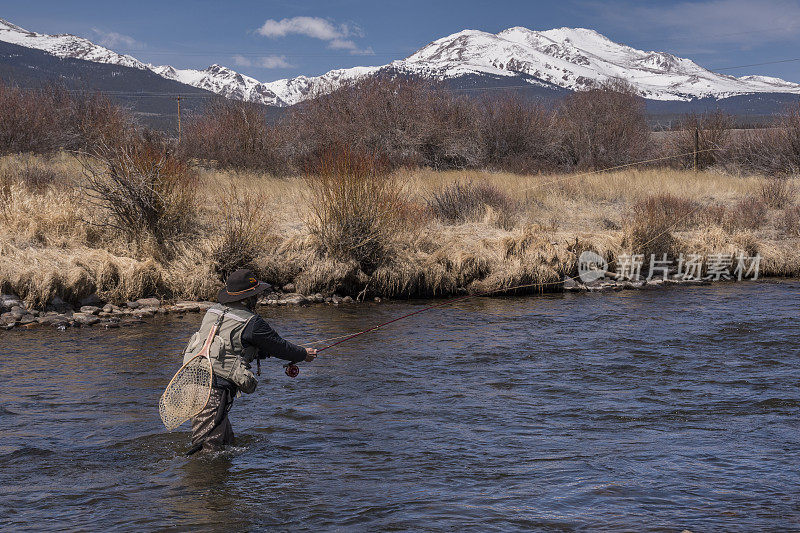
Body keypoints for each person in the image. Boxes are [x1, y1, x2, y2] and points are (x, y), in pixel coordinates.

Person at [183, 268, 316, 454]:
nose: (258, 298)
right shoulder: (252, 322)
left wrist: (264, 353)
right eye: (257, 295)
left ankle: (218, 480)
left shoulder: (213, 311)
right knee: (207, 451)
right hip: (212, 390)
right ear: (249, 297)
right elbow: (279, 347)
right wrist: (303, 354)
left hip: (190, 381)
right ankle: (200, 481)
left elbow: (234, 346)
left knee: (226, 444)